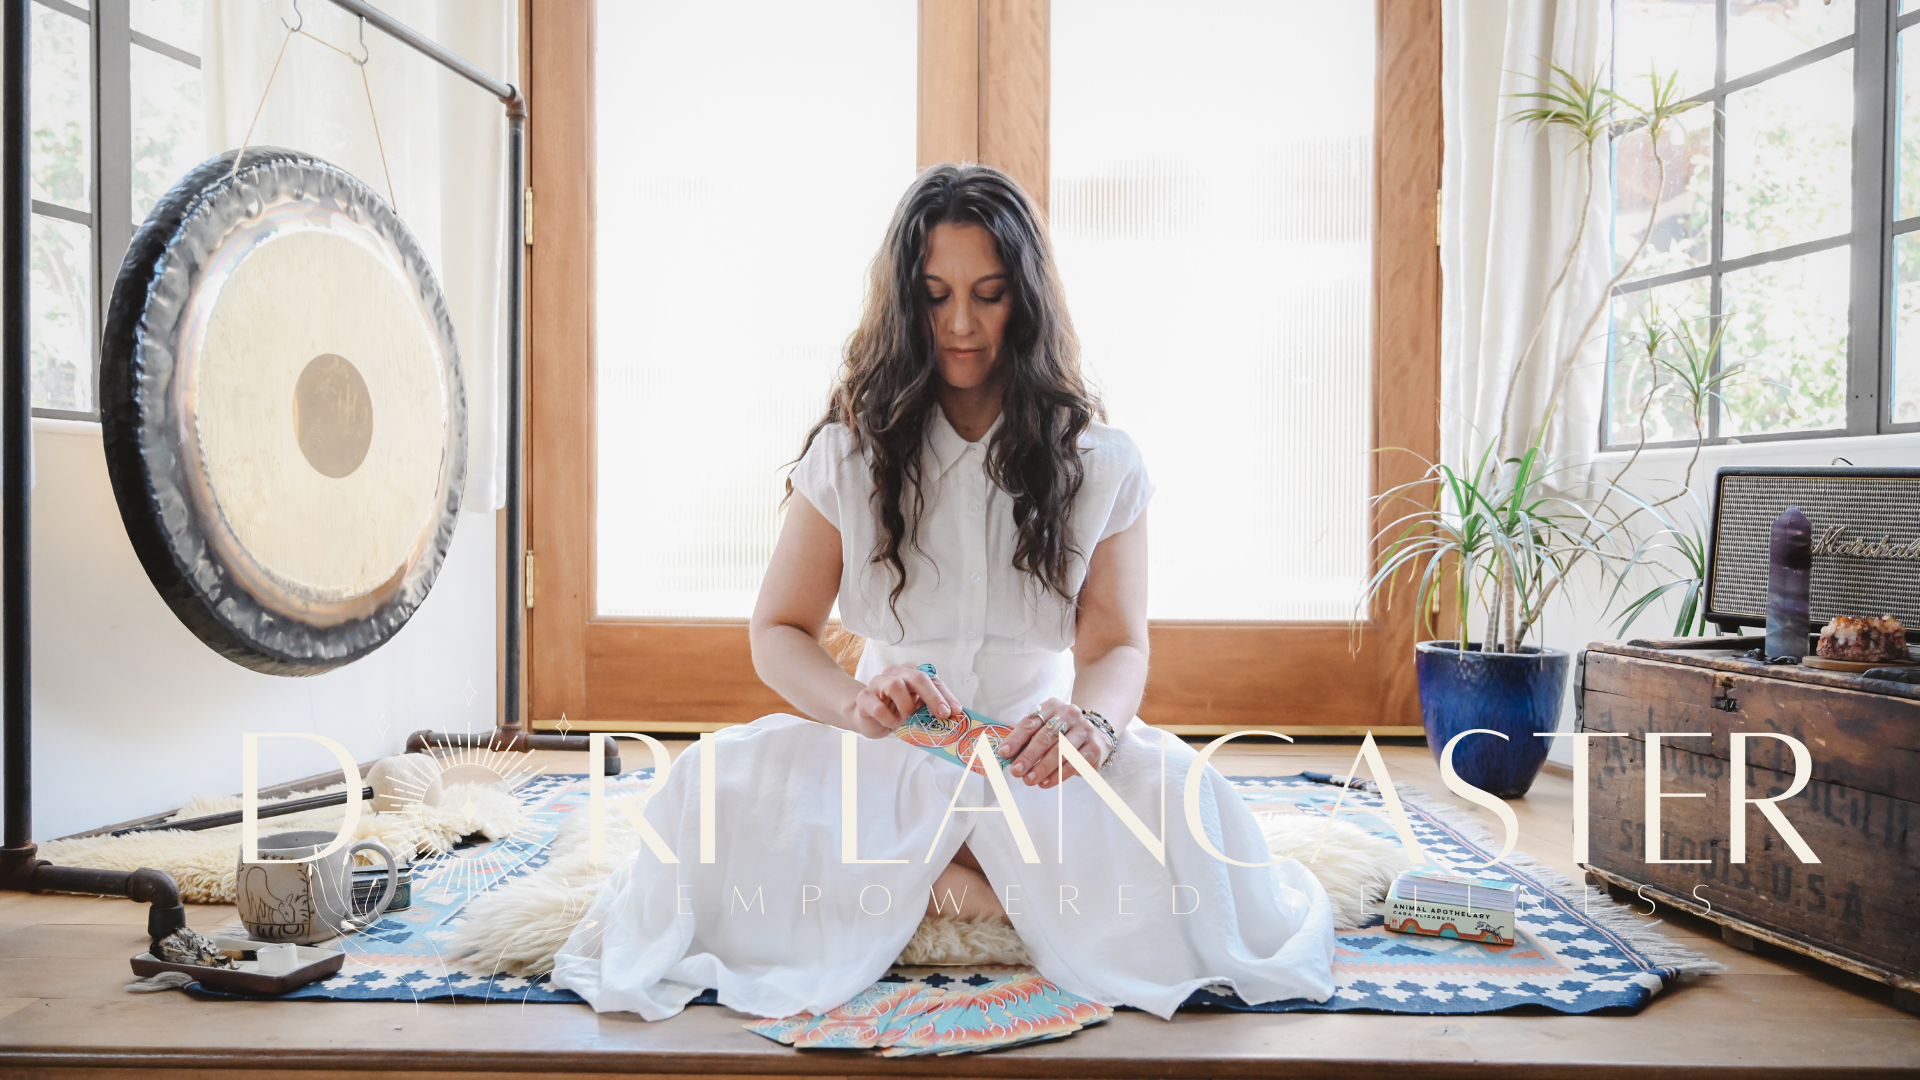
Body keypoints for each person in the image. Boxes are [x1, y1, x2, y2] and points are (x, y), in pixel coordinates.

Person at [550, 164, 1335, 1021]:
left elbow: (1115, 645)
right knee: (707, 792)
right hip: (885, 752)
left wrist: (1096, 727)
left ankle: (937, 885)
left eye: (988, 295)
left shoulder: (1101, 462)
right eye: (935, 296)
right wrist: (855, 703)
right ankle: (1006, 897)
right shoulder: (850, 452)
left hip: (1038, 761)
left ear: (1026, 302)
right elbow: (778, 630)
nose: (961, 324)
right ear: (903, 303)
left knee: (1196, 812)